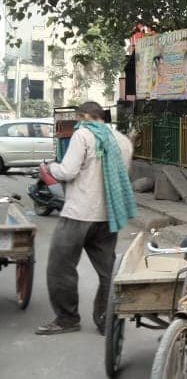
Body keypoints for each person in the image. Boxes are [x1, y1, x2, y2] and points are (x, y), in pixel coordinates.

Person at [36, 102, 135, 335]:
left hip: (79, 213)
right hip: (107, 215)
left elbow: (68, 171)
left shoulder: (83, 134)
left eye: (78, 118)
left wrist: (50, 168)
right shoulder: (122, 140)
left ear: (84, 116)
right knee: (107, 271)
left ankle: (67, 319)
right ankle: (105, 319)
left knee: (60, 267)